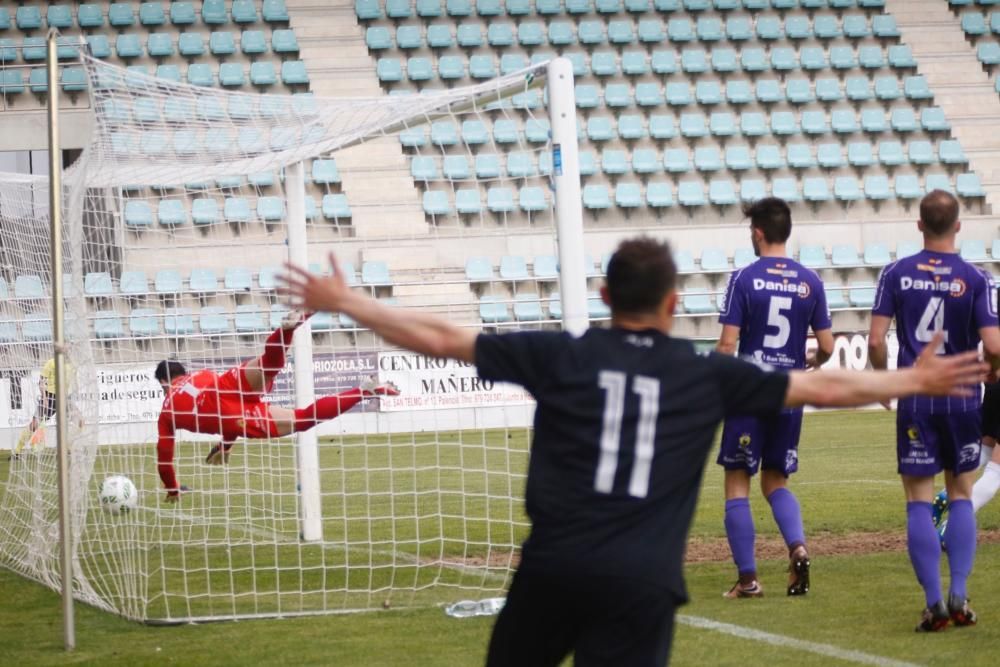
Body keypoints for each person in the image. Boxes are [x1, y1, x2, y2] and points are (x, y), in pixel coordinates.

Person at [279, 237, 986, 665]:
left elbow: (440, 337)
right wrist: (914, 377)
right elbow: (820, 387)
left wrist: (352, 304)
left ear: (606, 293)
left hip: (555, 568)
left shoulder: (562, 353)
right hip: (643, 581)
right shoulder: (707, 374)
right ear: (675, 303)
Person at [868, 189, 1000, 632]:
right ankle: (960, 594)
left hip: (917, 396)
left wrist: (886, 379)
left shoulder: (895, 273)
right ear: (959, 226)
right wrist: (990, 370)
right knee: (961, 494)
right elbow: (995, 345)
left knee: (918, 502)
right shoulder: (977, 278)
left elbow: (873, 340)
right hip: (962, 396)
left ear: (919, 225)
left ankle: (933, 604)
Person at [716, 198, 835, 599]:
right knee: (775, 480)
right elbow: (828, 346)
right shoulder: (810, 281)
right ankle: (798, 548)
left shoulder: (743, 279)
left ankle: (748, 580)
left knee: (737, 481)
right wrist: (811, 361)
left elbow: (727, 344)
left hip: (750, 390)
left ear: (758, 233)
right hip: (790, 390)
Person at [155, 311, 399, 503]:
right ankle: (286, 332)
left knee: (303, 418)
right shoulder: (201, 374)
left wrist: (172, 489)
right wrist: (225, 445)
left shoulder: (166, 413)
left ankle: (364, 391)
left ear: (164, 382)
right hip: (223, 385)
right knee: (267, 366)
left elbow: (164, 460)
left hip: (225, 410)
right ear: (182, 372)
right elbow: (225, 405)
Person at [931, 381, 1000, 544]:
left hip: (994, 388)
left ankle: (945, 495)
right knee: (996, 470)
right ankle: (954, 524)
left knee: (983, 450)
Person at [12, 357, 56, 460]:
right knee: (35, 424)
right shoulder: (50, 363)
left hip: (65, 398)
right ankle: (18, 451)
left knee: (79, 421)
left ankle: (70, 449)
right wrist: (44, 398)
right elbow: (41, 382)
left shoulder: (70, 364)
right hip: (50, 398)